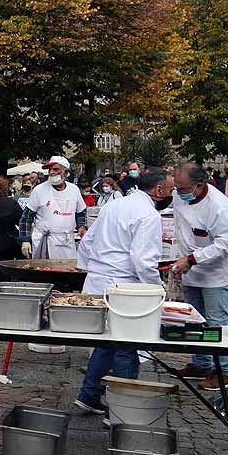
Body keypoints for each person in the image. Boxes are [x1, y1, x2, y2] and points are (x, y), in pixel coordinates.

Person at [73, 167, 172, 418]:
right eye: (171, 190)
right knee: (127, 346)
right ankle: (120, 410)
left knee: (106, 343)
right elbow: (143, 259)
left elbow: (88, 241)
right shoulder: (149, 214)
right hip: (125, 287)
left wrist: (87, 269)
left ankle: (88, 395)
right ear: (159, 191)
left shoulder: (116, 205)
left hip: (99, 279)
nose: (173, 195)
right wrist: (157, 289)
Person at [169, 163, 228, 390]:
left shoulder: (220, 206)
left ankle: (222, 372)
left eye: (182, 188)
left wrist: (192, 259)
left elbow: (226, 244)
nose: (178, 192)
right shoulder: (180, 196)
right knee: (193, 320)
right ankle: (200, 363)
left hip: (214, 273)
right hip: (190, 269)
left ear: (199, 185)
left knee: (216, 323)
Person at [20, 156, 87, 259]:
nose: (51, 172)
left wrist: (82, 226)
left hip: (67, 241)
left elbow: (81, 212)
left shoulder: (74, 190)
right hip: (46, 242)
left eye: (55, 169)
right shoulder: (39, 190)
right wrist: (25, 239)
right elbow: (26, 218)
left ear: (66, 172)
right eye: (50, 170)